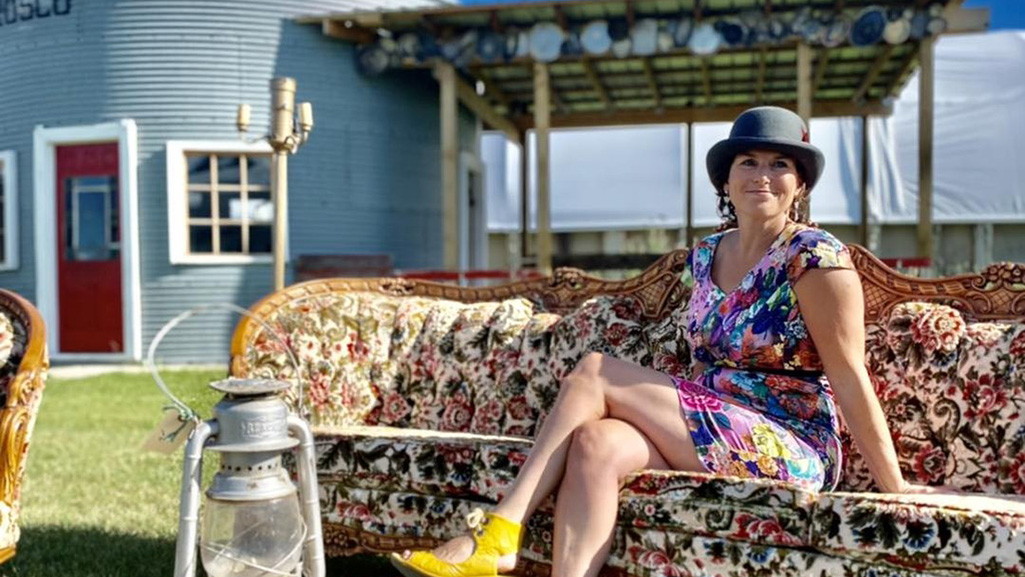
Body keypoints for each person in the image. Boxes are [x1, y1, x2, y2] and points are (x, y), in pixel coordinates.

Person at [391, 106, 951, 577]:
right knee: (596, 445)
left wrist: (893, 487)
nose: (762, 174)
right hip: (713, 422)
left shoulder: (816, 257)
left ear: (799, 184)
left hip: (789, 441)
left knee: (595, 371)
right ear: (726, 182)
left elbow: (848, 373)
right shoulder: (705, 256)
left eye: (780, 164)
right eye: (747, 162)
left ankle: (496, 533)